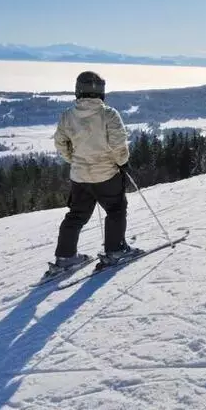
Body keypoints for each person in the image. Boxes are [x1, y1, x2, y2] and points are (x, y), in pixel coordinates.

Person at [51, 71, 133, 272]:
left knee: (76, 215)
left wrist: (75, 160)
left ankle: (65, 257)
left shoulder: (67, 116)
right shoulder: (109, 114)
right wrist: (122, 163)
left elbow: (60, 143)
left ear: (78, 90)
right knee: (116, 209)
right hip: (106, 174)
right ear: (101, 92)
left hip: (79, 177)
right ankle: (115, 251)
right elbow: (118, 144)